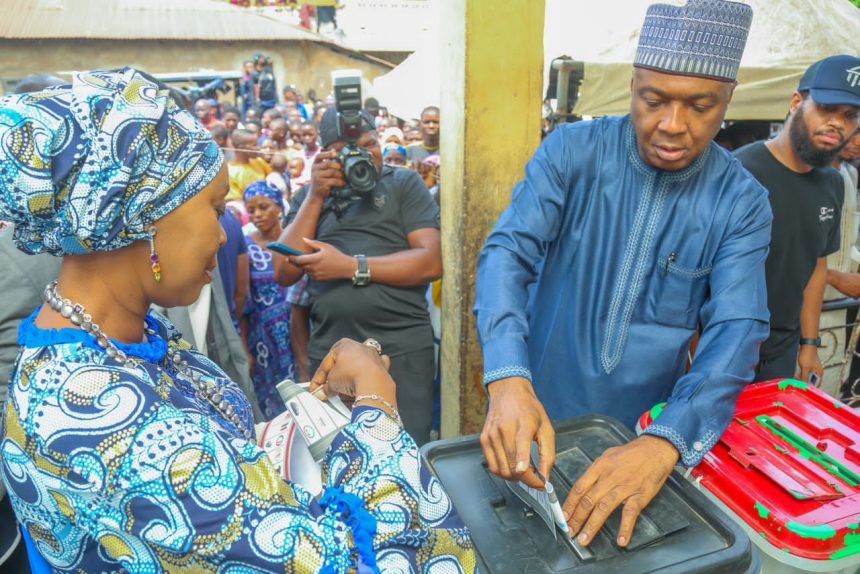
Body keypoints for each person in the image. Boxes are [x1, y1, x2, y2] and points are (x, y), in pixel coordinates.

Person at [0, 67, 476, 573]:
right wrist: (376, 404)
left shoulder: (122, 338)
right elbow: (367, 562)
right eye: (215, 207)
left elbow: (214, 448)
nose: (227, 236)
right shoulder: (105, 423)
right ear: (142, 216)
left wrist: (316, 412)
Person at [475, 0, 769, 549]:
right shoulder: (572, 151)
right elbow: (507, 254)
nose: (672, 125)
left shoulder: (742, 202)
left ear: (728, 98)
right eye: (652, 100)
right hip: (536, 416)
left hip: (644, 439)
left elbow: (738, 327)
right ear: (633, 85)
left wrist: (667, 442)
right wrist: (507, 378)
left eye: (700, 106)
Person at [272, 108, 443, 445]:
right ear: (326, 156)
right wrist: (316, 195)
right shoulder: (310, 198)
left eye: (371, 144)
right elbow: (284, 271)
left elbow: (431, 262)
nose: (365, 156)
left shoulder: (403, 184)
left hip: (402, 352)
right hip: (332, 355)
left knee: (407, 451)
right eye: (348, 151)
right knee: (341, 457)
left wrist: (351, 267)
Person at [737, 55, 860, 384]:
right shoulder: (739, 172)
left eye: (850, 116)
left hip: (783, 351)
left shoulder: (833, 183)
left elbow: (815, 267)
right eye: (826, 108)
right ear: (796, 102)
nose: (837, 123)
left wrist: (809, 345)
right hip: (726, 345)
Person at [241, 182, 296, 418]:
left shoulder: (294, 239)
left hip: (297, 330)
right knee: (271, 397)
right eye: (251, 210)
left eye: (264, 207)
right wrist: (245, 348)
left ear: (279, 207)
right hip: (262, 338)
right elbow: (241, 300)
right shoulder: (247, 246)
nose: (257, 215)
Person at [227, 128, 272, 201]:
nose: (258, 148)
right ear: (242, 148)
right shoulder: (229, 172)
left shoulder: (259, 162)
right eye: (254, 145)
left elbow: (273, 178)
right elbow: (235, 201)